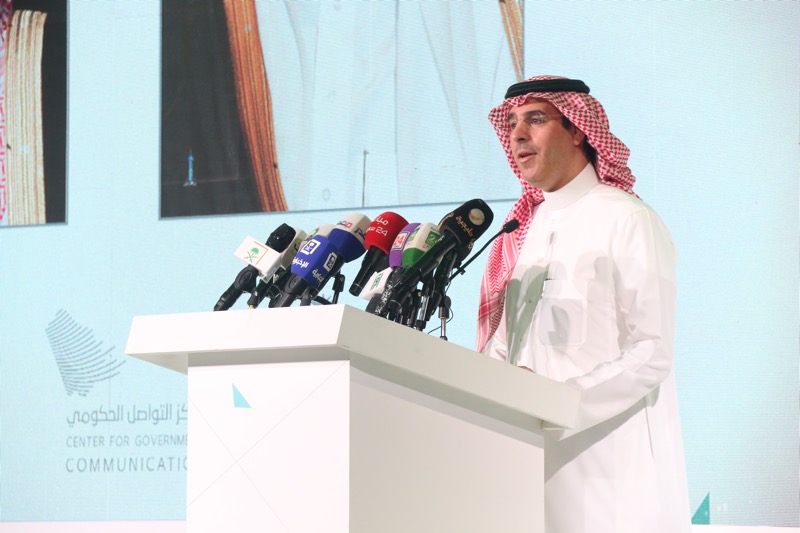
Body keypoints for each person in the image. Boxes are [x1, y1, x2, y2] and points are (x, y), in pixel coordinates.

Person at [477, 75, 692, 533]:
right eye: (511, 123)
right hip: (522, 463)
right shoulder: (522, 230)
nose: (518, 135)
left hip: (606, 467)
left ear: (577, 129)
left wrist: (558, 403)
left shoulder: (627, 219)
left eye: (535, 119)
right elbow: (505, 346)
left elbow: (651, 351)